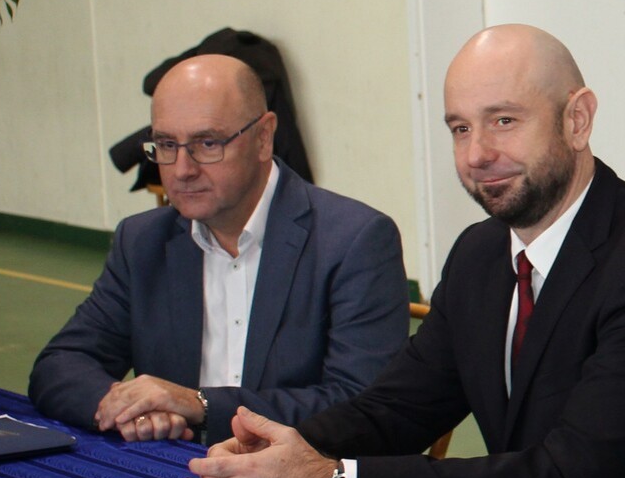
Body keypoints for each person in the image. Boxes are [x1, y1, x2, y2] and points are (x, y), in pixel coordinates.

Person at [182, 24, 625, 478]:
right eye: (460, 128)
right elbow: (399, 409)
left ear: (577, 119)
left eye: (504, 121)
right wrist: (283, 452)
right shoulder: (480, 253)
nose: (477, 154)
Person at [30, 55, 408, 445]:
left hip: (301, 475)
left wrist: (200, 405)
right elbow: (60, 365)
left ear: (263, 137)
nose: (182, 170)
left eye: (207, 143)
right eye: (166, 145)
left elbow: (361, 406)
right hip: (173, 468)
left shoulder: (353, 241)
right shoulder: (142, 241)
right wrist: (128, 408)